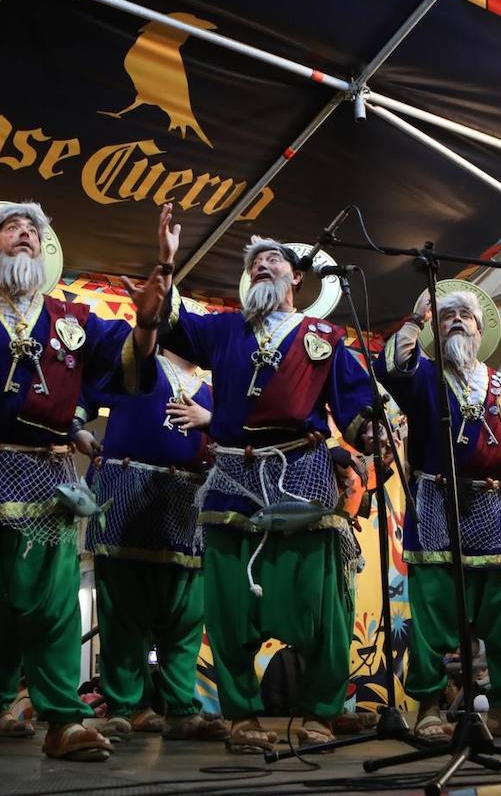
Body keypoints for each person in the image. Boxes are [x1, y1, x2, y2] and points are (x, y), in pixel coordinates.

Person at [0, 200, 170, 762]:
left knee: (55, 604)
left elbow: (131, 368)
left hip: (47, 475)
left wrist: (150, 321)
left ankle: (62, 719)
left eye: (34, 230)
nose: (26, 235)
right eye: (13, 229)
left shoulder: (73, 319)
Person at [149, 230, 379, 752]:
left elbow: (355, 407)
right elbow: (170, 320)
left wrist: (368, 432)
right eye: (254, 262)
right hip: (231, 477)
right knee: (230, 608)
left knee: (317, 604)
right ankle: (241, 716)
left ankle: (322, 709)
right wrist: (166, 261)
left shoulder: (324, 335)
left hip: (301, 473)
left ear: (296, 276)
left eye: (273, 259)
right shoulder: (227, 330)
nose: (262, 266)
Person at [374, 289, 501, 741]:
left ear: (480, 330)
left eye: (465, 317)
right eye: (447, 317)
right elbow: (392, 368)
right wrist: (416, 320)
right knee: (433, 613)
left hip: (494, 508)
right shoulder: (423, 377)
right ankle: (430, 707)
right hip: (435, 503)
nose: (456, 321)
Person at [73, 347, 228, 742]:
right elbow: (84, 392)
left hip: (185, 505)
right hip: (128, 492)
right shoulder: (135, 366)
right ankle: (127, 706)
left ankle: (180, 707)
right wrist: (79, 429)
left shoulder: (211, 391)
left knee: (187, 613)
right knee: (123, 609)